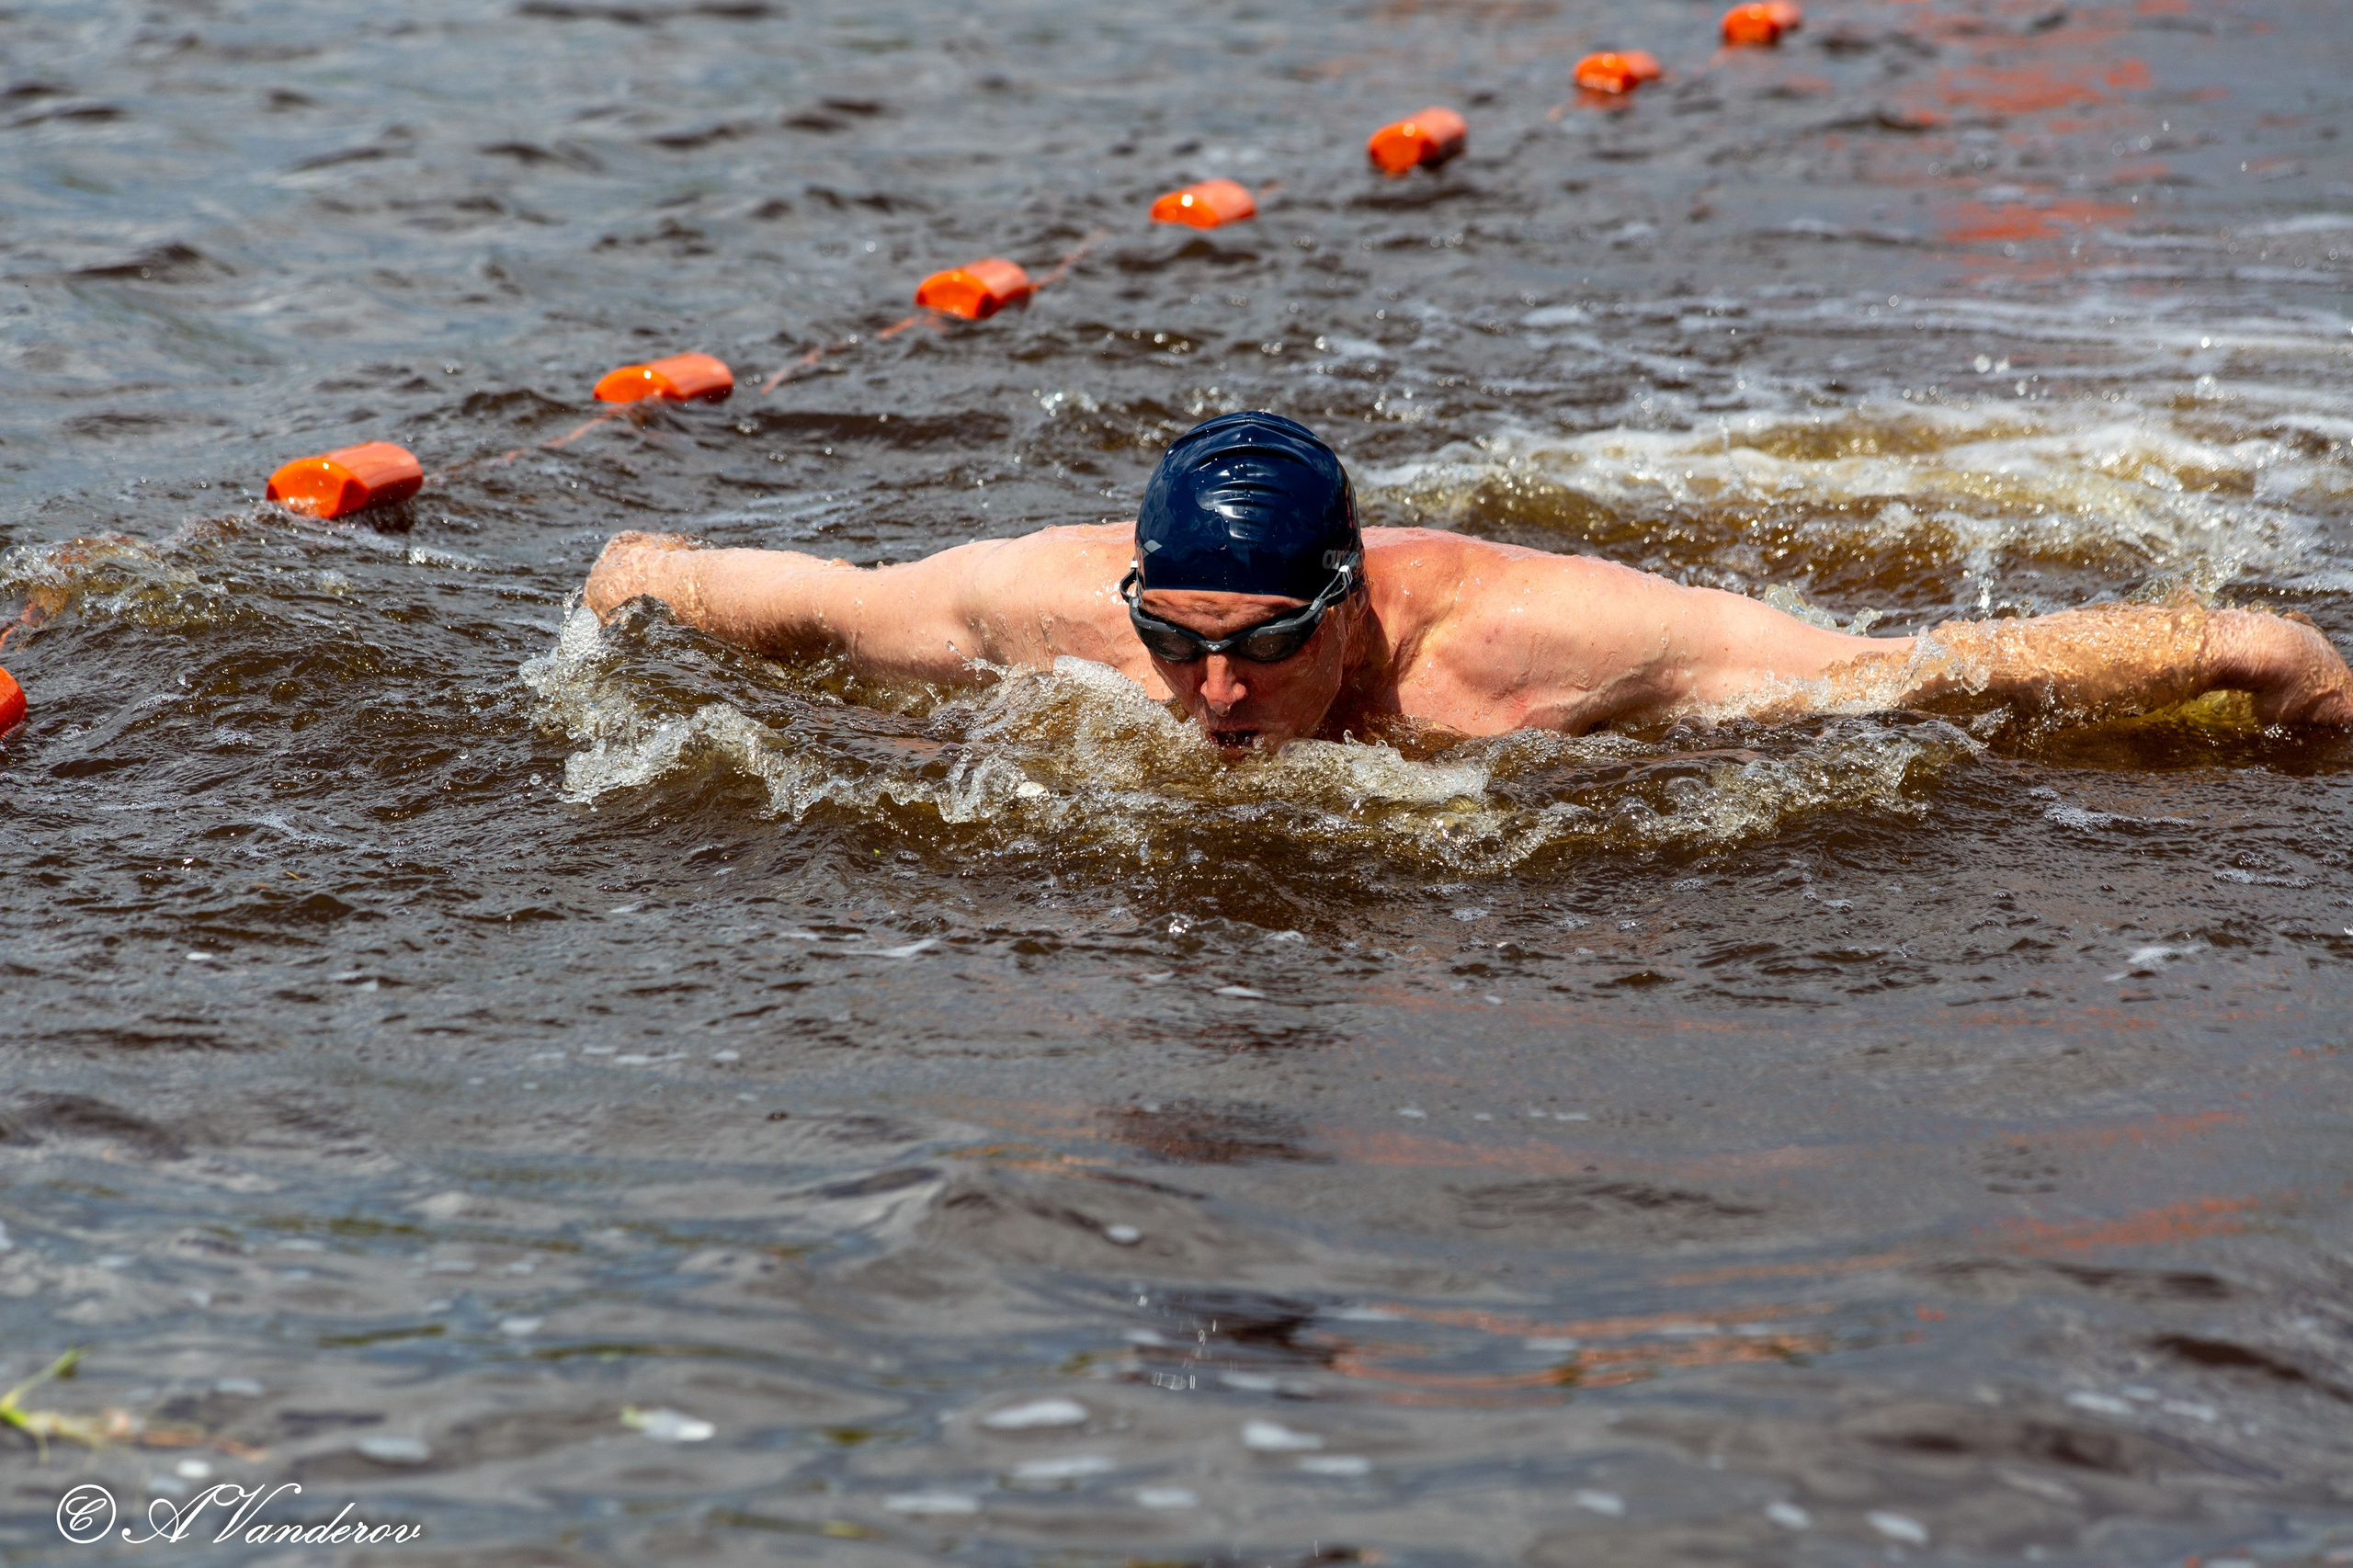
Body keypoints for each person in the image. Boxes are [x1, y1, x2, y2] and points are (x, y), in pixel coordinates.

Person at [583, 411, 2353, 752]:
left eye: (1264, 649)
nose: (1211, 699)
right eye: (1176, 646)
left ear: (1344, 601)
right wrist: (639, 574)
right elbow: (811, 599)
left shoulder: (1549, 647)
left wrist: (2258, 649)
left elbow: (1921, 670)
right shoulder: (1049, 601)